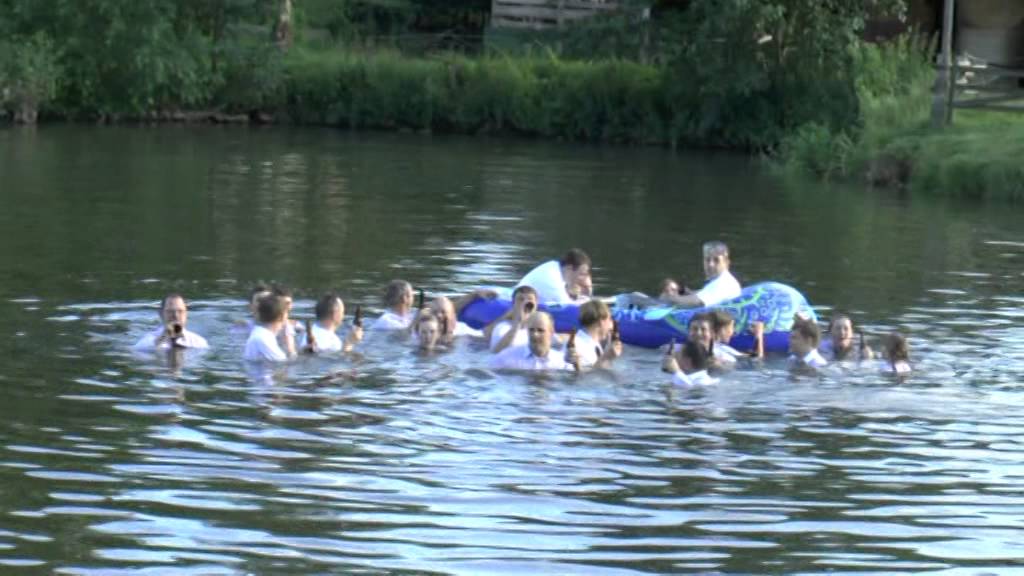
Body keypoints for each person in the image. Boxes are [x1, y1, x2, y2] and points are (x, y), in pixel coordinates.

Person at [489, 312, 575, 371]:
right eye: (531, 330)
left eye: (540, 330)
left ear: (551, 332)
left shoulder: (562, 362)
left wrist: (577, 367)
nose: (535, 334)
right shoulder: (506, 358)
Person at [514, 248, 592, 305]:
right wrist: (587, 297)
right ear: (569, 268)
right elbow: (568, 307)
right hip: (517, 302)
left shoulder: (554, 265)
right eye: (581, 274)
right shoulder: (552, 280)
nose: (582, 279)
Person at [133, 293, 209, 350]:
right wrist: (161, 340)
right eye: (170, 311)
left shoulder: (199, 343)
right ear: (161, 314)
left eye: (180, 311)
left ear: (186, 314)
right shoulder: (147, 342)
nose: (175, 316)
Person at [244, 292, 296, 362]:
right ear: (281, 316)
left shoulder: (260, 334)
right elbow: (284, 363)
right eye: (286, 313)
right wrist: (292, 351)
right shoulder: (263, 339)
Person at [485, 285, 539, 353]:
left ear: (536, 304)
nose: (525, 303)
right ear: (513, 304)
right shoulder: (503, 327)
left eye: (530, 300)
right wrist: (517, 322)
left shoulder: (544, 326)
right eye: (520, 299)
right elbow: (498, 352)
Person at [573, 300, 623, 369]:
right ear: (601, 322)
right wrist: (606, 357)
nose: (612, 325)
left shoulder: (593, 343)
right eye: (610, 319)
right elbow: (584, 377)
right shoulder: (579, 346)